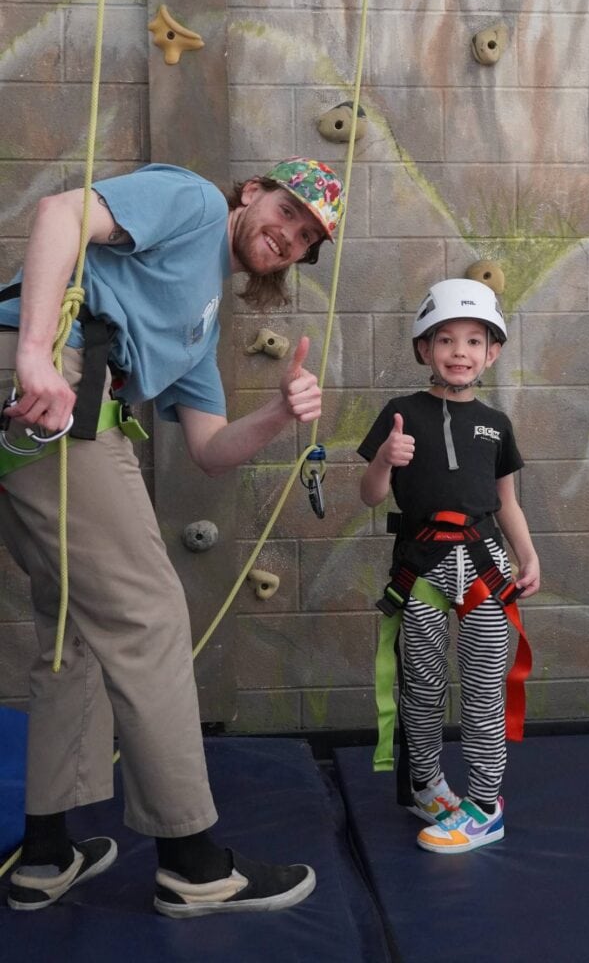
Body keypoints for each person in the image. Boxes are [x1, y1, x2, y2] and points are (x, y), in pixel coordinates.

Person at [0, 157, 345, 916]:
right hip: (55, 383)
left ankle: (46, 853)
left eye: (307, 239)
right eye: (287, 213)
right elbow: (62, 213)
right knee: (151, 614)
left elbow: (210, 448)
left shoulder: (202, 320)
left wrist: (281, 414)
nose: (289, 236)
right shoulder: (190, 201)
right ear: (251, 192)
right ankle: (193, 863)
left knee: (73, 623)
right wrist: (33, 357)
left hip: (70, 396)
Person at [357, 278, 540, 855]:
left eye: (473, 340)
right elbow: (369, 495)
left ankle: (485, 807)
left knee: (484, 692)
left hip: (484, 571)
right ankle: (427, 783)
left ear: (492, 353)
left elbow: (507, 501)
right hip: (423, 569)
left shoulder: (496, 423)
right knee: (423, 686)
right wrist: (386, 460)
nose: (458, 351)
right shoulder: (399, 414)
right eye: (445, 339)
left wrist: (528, 555)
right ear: (423, 349)